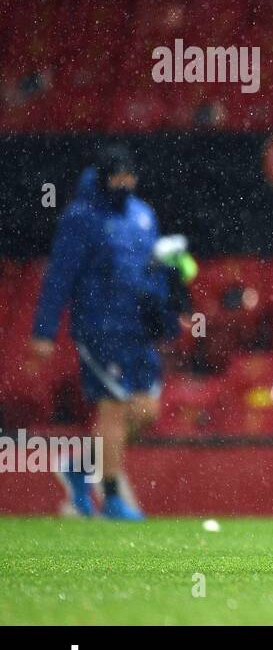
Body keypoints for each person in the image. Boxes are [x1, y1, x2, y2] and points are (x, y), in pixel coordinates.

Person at [30, 144, 181, 520]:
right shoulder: (80, 218)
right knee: (112, 409)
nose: (125, 182)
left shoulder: (144, 216)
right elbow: (59, 276)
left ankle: (80, 467)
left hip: (138, 331)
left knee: (146, 411)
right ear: (103, 176)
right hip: (100, 328)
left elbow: (154, 271)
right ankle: (111, 496)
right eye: (117, 175)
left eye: (130, 175)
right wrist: (44, 331)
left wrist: (167, 309)